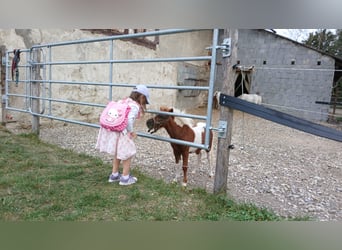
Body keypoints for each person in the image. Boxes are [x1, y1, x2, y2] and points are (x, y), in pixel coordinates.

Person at [96, 85, 150, 185]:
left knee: (118, 152)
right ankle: (125, 178)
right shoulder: (134, 106)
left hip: (115, 131)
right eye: (145, 101)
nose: (144, 104)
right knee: (128, 153)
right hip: (123, 133)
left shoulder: (123, 101)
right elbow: (129, 120)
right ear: (142, 97)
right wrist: (131, 131)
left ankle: (114, 175)